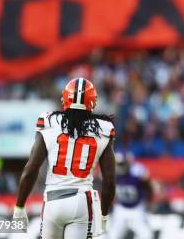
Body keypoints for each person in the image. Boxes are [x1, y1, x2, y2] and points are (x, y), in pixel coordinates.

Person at [12, 78, 116, 239]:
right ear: (92, 103)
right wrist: (104, 215)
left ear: (64, 99)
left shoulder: (49, 122)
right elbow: (109, 181)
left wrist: (19, 206)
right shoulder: (103, 128)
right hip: (81, 201)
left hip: (52, 202)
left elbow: (31, 169)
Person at [108, 152, 153, 239]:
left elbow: (148, 189)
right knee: (113, 235)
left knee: (146, 235)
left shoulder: (136, 177)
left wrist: (148, 201)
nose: (118, 167)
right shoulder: (114, 177)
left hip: (136, 209)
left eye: (121, 164)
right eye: (117, 164)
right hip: (121, 209)